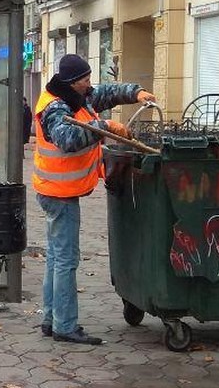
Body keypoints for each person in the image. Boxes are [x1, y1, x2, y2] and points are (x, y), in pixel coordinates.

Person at [34, 53, 155, 345]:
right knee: (66, 260)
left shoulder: (77, 95)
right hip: (59, 194)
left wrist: (136, 93)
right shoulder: (55, 107)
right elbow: (67, 140)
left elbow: (107, 92)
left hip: (57, 190)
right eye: (85, 79)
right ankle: (65, 326)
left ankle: (51, 319)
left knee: (55, 257)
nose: (90, 84)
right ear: (72, 82)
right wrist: (106, 128)